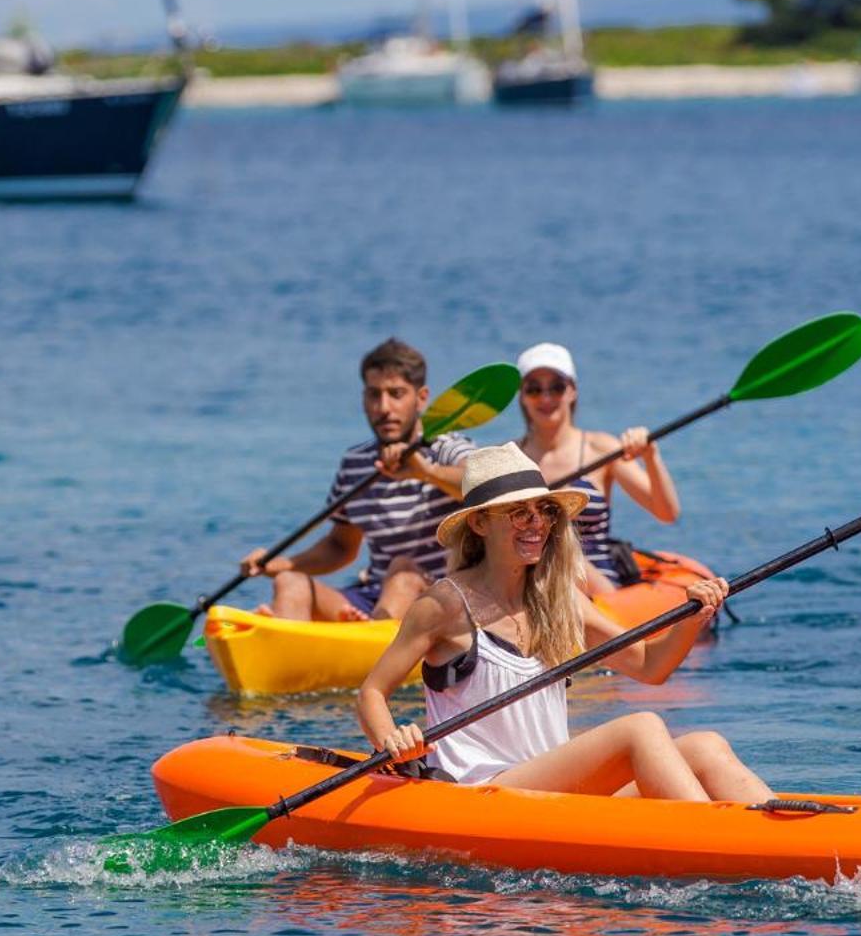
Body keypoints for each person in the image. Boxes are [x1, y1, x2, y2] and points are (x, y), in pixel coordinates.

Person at [359, 445, 770, 802]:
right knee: (640, 728)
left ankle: (802, 839)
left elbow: (650, 667)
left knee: (706, 747)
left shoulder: (561, 598)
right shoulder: (444, 604)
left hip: (548, 789)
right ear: (480, 524)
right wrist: (391, 738)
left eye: (545, 511)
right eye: (518, 513)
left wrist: (692, 620)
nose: (536, 524)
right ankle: (713, 841)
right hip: (483, 791)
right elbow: (372, 693)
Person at [241, 338, 471, 623]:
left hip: (441, 598)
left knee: (402, 573)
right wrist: (278, 565)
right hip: (373, 596)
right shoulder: (355, 463)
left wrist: (425, 472)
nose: (384, 407)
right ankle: (282, 644)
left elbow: (482, 483)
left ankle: (371, 644)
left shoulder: (446, 448)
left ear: (421, 398)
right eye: (374, 395)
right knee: (290, 582)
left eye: (396, 394)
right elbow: (341, 547)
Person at [510, 342, 679, 596]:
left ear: (572, 391)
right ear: (523, 396)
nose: (546, 398)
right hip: (533, 586)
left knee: (563, 546)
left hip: (599, 588)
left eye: (556, 387)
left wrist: (651, 457)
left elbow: (666, 513)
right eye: (534, 389)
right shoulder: (509, 457)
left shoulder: (602, 449)